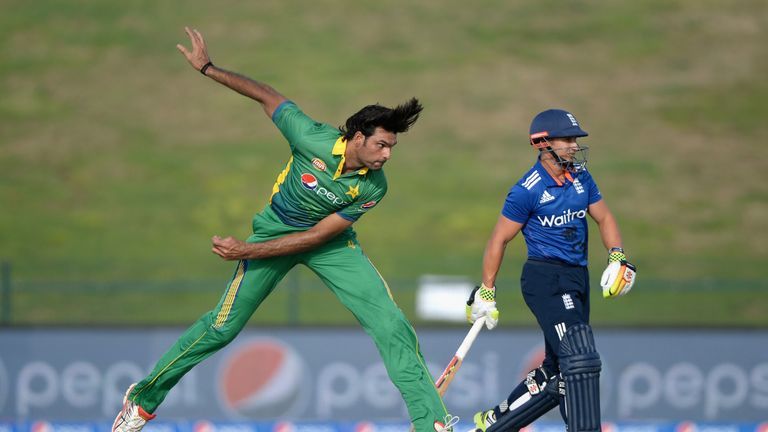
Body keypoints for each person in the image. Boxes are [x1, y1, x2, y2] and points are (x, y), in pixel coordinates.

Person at [111, 27, 456, 432]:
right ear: (358, 137)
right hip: (274, 232)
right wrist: (207, 67)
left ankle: (430, 422)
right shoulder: (311, 137)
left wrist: (245, 252)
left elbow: (316, 238)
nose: (387, 154)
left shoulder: (373, 186)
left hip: (328, 244)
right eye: (381, 145)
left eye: (392, 148)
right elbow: (266, 94)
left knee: (389, 322)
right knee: (222, 328)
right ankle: (143, 398)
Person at [465, 109, 636, 432]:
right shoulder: (527, 189)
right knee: (579, 354)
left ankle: (492, 423)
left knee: (556, 373)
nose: (574, 146)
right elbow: (499, 239)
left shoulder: (582, 178)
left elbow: (605, 218)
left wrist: (617, 256)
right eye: (567, 139)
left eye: (576, 139)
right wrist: (487, 291)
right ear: (543, 143)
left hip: (577, 277)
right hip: (546, 279)